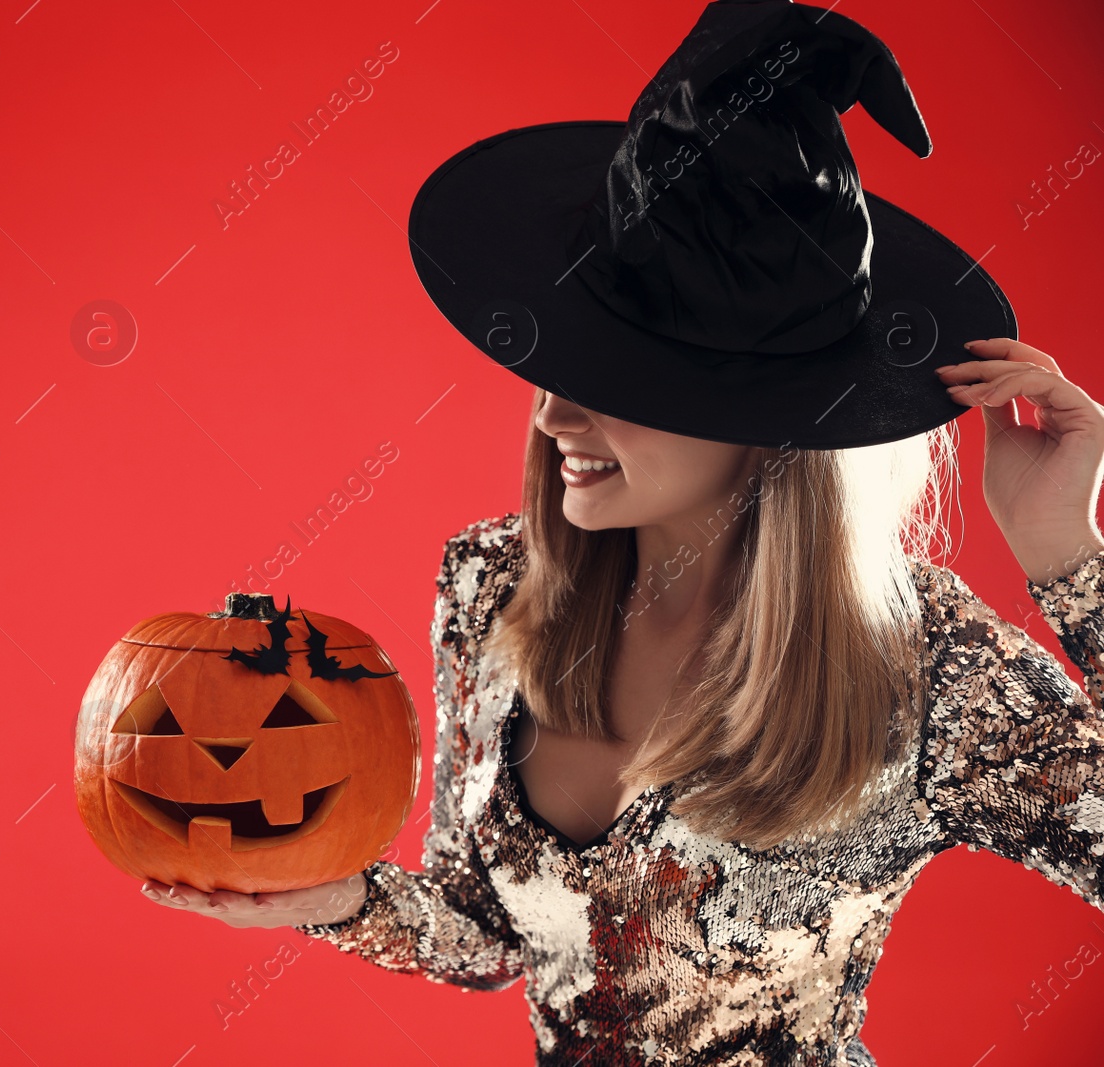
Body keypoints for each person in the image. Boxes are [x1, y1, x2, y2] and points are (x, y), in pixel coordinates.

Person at [143, 2, 1104, 1061]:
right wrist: (330, 898)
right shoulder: (489, 583)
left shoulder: (919, 659)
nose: (556, 414)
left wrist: (1068, 556)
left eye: (621, 380)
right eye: (567, 364)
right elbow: (491, 933)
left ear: (765, 417)